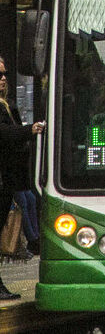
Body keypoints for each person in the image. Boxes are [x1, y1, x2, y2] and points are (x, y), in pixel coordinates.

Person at [0, 56, 44, 300]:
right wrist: (30, 130)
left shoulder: (7, 105)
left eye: (5, 74)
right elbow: (5, 133)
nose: (4, 79)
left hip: (9, 179)